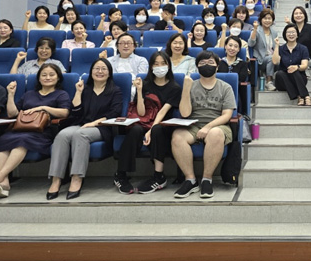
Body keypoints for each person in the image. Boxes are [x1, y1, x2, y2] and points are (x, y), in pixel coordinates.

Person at [0, 64, 70, 198]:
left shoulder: (61, 94)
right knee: (3, 140)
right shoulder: (29, 94)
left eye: (51, 75)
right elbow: (13, 113)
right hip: (20, 128)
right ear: (38, 78)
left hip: (42, 131)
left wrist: (43, 108)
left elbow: (65, 112)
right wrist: (10, 95)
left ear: (58, 77)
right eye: (44, 75)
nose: (47, 77)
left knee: (22, 140)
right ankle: (5, 183)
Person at [47, 58, 123, 200]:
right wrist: (78, 91)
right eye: (96, 69)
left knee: (80, 135)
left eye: (103, 69)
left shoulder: (115, 90)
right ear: (91, 71)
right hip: (81, 124)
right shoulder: (85, 89)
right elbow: (75, 111)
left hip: (102, 127)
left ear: (109, 73)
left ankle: (77, 178)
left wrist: (94, 123)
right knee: (62, 135)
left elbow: (114, 113)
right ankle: (56, 179)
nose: (100, 72)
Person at [171, 51, 237, 199]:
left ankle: (207, 179)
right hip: (193, 125)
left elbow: (227, 115)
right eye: (202, 64)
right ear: (197, 67)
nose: (206, 66)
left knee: (215, 134)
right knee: (177, 136)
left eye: (210, 63)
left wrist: (208, 127)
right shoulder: (191, 85)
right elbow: (185, 113)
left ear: (217, 66)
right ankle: (191, 180)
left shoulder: (225, 87)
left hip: (218, 126)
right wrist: (186, 89)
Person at [116, 51, 182, 195]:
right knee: (135, 131)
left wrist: (150, 131)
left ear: (169, 66)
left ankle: (159, 176)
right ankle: (120, 175)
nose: (159, 67)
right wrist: (139, 92)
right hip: (144, 121)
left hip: (162, 125)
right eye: (156, 64)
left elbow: (163, 112)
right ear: (151, 67)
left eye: (163, 64)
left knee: (157, 129)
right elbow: (140, 113)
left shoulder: (175, 88)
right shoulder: (145, 84)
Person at [272, 24, 311, 106]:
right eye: (288, 32)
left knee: (294, 70)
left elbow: (304, 66)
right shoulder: (281, 48)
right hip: (283, 80)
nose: (291, 34)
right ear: (285, 35)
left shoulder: (303, 48)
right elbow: (275, 62)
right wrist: (276, 46)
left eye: (293, 32)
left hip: (299, 78)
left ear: (297, 34)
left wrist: (297, 67)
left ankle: (301, 97)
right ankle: (304, 95)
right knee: (280, 73)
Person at [248, 9, 277, 90]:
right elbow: (251, 43)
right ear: (261, 19)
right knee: (271, 58)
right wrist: (255, 29)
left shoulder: (274, 32)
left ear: (272, 20)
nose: (267, 20)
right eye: (265, 18)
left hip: (272, 57)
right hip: (261, 59)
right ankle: (269, 82)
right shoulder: (257, 30)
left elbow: (274, 47)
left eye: (269, 18)